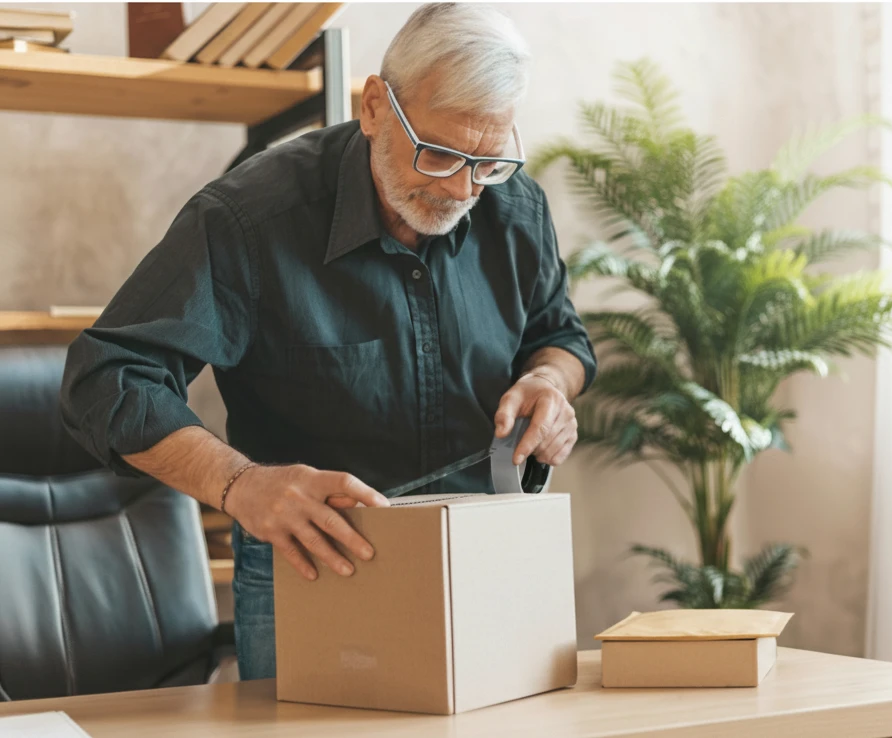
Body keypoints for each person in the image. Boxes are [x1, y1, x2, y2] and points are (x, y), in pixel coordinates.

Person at [60, 3, 597, 680]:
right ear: (374, 106)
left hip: (486, 553)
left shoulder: (513, 206)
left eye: (486, 163)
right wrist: (240, 483)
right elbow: (106, 377)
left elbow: (557, 334)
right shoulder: (249, 219)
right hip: (314, 565)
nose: (462, 188)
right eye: (437, 153)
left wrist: (549, 383)